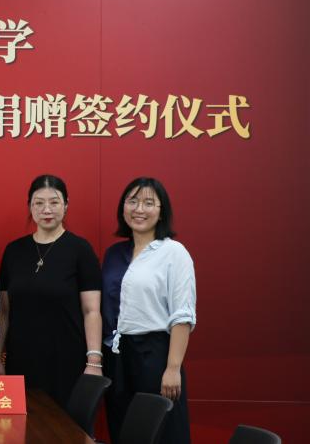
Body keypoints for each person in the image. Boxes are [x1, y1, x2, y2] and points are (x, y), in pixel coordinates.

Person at [0, 174, 102, 408]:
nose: (46, 209)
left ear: (66, 205)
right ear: (30, 207)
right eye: (39, 203)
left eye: (54, 202)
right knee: (24, 423)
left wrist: (94, 361)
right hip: (22, 359)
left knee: (66, 426)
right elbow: (4, 312)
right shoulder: (14, 251)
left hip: (67, 360)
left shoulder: (80, 249)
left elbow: (91, 311)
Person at [106, 177, 196, 444]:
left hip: (155, 356)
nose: (139, 209)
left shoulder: (173, 252)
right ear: (123, 207)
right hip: (119, 356)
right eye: (132, 201)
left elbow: (182, 314)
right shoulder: (114, 254)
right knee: (125, 430)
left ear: (161, 211)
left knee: (161, 431)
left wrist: (172, 368)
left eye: (148, 203)